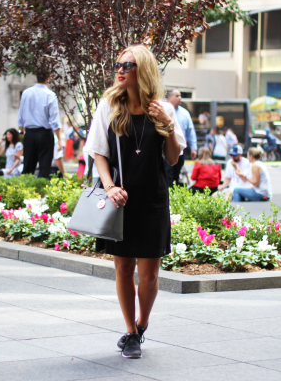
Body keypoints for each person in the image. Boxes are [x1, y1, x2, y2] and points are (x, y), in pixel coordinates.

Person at [83, 45, 186, 359]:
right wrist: (110, 185)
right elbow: (98, 151)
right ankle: (130, 331)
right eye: (118, 63)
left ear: (143, 69)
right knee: (123, 267)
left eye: (128, 64)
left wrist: (167, 124)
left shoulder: (161, 108)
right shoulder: (110, 106)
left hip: (153, 197)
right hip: (121, 199)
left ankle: (142, 323)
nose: (120, 69)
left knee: (151, 273)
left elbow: (172, 157)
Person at [18, 70, 62, 178]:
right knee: (44, 166)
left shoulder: (26, 93)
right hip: (45, 134)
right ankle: (41, 192)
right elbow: (54, 120)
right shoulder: (50, 95)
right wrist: (59, 139)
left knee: (28, 166)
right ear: (48, 78)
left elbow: (21, 116)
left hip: (29, 133)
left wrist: (22, 132)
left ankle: (24, 191)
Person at [164, 89, 197, 187]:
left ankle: (174, 193)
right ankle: (168, 192)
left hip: (180, 149)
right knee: (167, 172)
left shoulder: (185, 113)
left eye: (180, 96)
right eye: (177, 96)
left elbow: (190, 130)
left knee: (176, 172)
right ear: (169, 98)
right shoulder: (163, 110)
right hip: (166, 148)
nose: (180, 98)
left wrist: (194, 147)